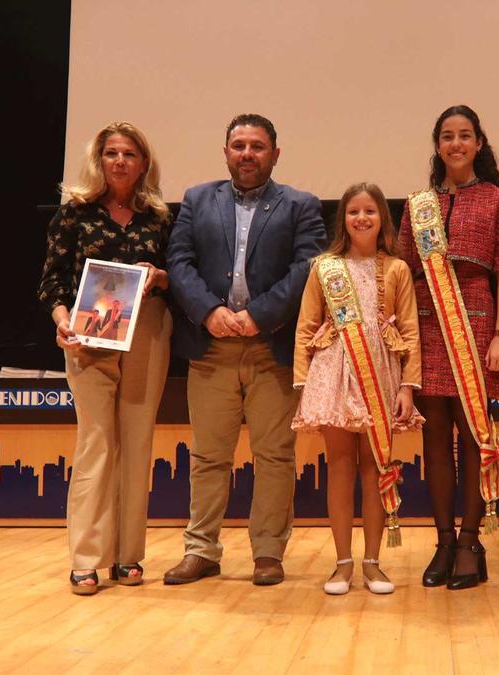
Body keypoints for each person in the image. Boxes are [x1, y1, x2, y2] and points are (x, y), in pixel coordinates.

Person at [164, 114, 326, 586]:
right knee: (208, 455)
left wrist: (259, 314)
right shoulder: (197, 199)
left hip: (269, 347)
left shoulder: (301, 205)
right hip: (210, 344)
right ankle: (202, 551)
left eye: (257, 146)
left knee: (274, 454)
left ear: (275, 154)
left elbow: (306, 268)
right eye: (239, 145)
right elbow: (178, 261)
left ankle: (269, 554)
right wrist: (209, 311)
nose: (247, 154)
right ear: (226, 152)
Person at [37, 121, 173, 595]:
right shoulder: (73, 214)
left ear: (143, 163)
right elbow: (52, 284)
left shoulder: (158, 216)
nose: (120, 161)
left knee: (137, 444)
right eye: (112, 153)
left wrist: (157, 276)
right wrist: (62, 320)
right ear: (100, 160)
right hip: (89, 336)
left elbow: (174, 276)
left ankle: (128, 556)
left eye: (129, 154)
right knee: (96, 443)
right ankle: (86, 559)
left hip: (148, 334)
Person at [397, 105, 499, 590]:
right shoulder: (417, 204)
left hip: (476, 321)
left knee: (474, 439)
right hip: (426, 324)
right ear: (437, 145)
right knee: (435, 439)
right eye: (447, 136)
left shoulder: (498, 199)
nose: (456, 144)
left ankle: (471, 542)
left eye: (465, 136)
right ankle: (443, 541)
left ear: (479, 143)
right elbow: (403, 273)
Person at [292, 182, 424, 595]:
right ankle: (342, 564)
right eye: (353, 212)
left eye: (369, 211)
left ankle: (373, 562)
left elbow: (411, 330)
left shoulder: (397, 269)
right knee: (340, 466)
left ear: (382, 217)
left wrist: (408, 385)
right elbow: (306, 326)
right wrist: (303, 382)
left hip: (380, 373)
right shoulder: (324, 267)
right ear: (343, 220)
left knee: (376, 468)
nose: (361, 218)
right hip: (334, 372)